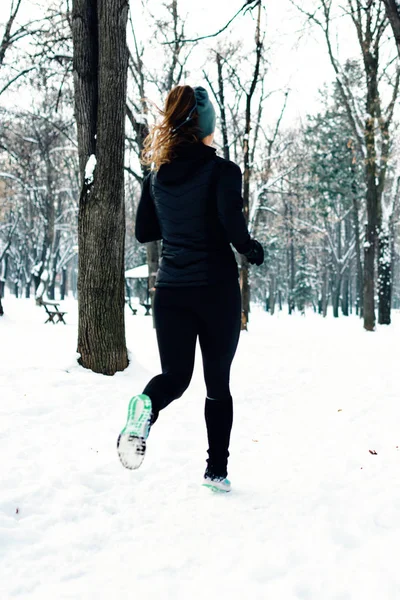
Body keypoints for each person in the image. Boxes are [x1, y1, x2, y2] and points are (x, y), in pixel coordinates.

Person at [117, 85, 264, 493]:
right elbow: (234, 229)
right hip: (215, 291)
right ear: (205, 127)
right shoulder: (223, 171)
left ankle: (146, 407)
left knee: (175, 377)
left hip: (171, 293)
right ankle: (216, 471)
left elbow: (145, 231)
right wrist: (253, 250)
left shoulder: (156, 175)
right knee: (217, 383)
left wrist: (176, 213)